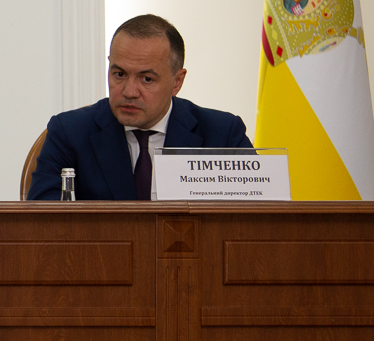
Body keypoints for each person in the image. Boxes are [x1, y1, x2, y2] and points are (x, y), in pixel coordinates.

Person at [28, 14, 251, 201]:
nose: (129, 91)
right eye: (119, 74)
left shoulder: (223, 135)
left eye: (146, 79)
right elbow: (44, 223)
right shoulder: (69, 133)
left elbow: (255, 222)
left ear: (177, 82)